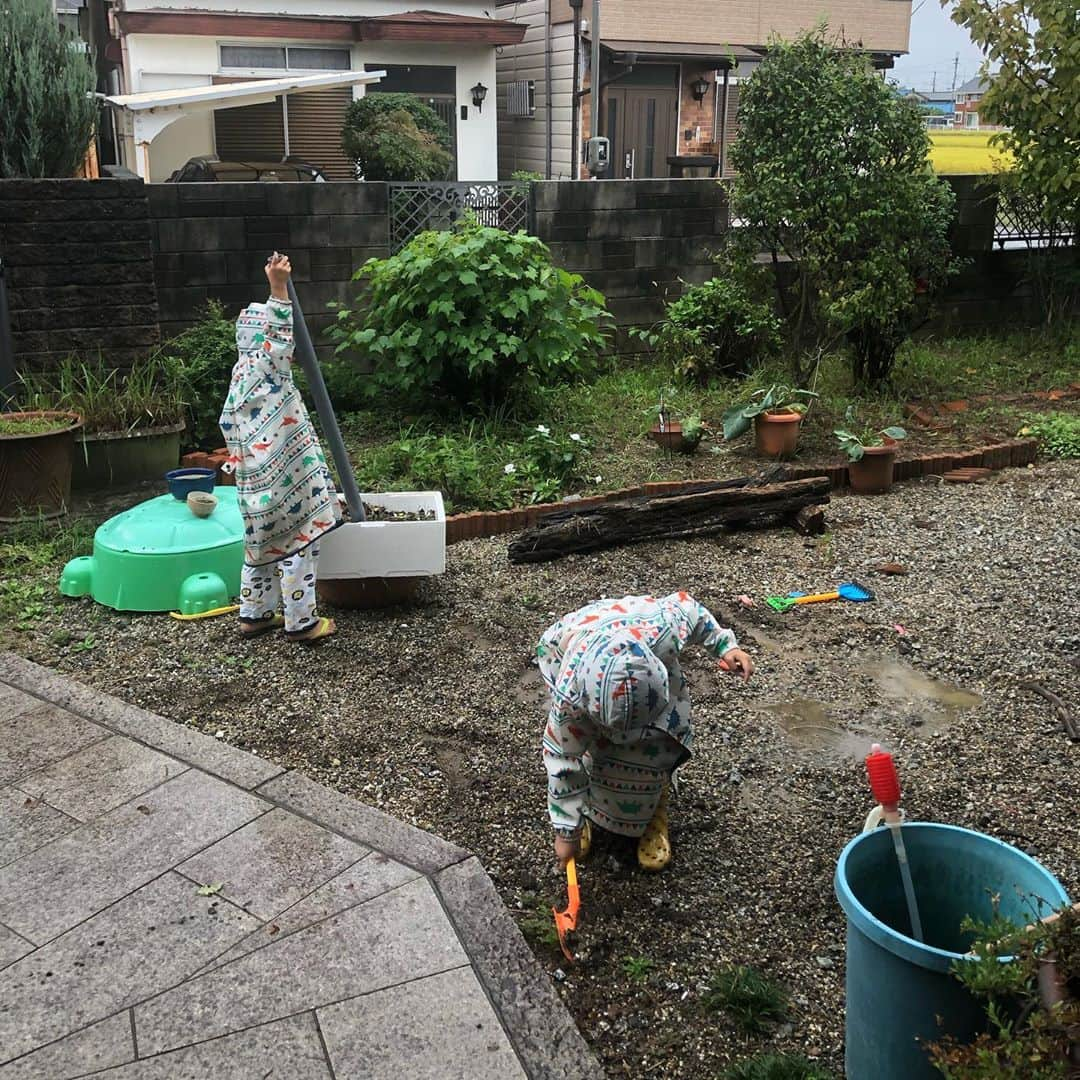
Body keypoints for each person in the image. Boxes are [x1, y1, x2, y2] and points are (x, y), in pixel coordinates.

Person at [538, 591, 753, 872]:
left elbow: (692, 610)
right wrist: (565, 832)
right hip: (578, 647)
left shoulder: (664, 629)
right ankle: (581, 816)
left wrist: (725, 645)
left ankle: (653, 807)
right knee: (587, 746)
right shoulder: (570, 699)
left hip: (638, 636)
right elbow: (563, 762)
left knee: (658, 745)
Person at [220, 252, 340, 643]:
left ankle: (254, 615)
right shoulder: (270, 371)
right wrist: (278, 287)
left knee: (259, 548)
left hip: (254, 487)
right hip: (289, 483)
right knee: (299, 545)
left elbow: (226, 425)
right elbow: (279, 337)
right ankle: (301, 622)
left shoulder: (239, 376)